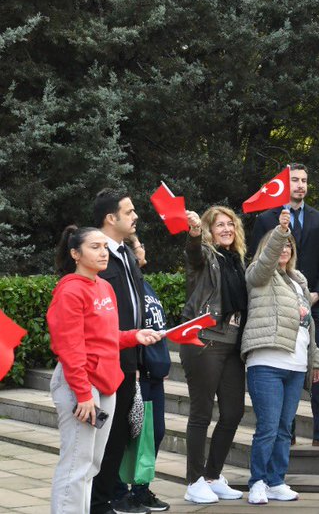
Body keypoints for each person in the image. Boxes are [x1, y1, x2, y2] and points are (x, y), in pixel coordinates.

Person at [47, 226, 162, 514]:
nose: (103, 252)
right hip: (82, 386)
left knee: (91, 465)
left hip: (106, 384)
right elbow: (70, 347)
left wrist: (133, 335)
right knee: (75, 465)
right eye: (94, 247)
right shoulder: (70, 290)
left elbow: (106, 337)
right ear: (75, 254)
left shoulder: (104, 286)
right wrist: (83, 394)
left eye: (104, 246)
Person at [248, 164, 319, 447]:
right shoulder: (266, 219)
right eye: (294, 180)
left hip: (313, 305)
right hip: (279, 306)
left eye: (304, 180)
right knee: (287, 367)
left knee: (318, 365)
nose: (300, 185)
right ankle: (285, 430)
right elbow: (256, 261)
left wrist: (317, 293)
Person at [242, 209, 319, 505]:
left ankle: (276, 481)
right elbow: (264, 263)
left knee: (285, 428)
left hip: (295, 364)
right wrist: (281, 231)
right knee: (267, 427)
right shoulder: (258, 276)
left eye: (290, 245)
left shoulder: (298, 281)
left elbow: (307, 324)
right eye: (279, 245)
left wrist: (315, 360)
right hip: (267, 363)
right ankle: (257, 482)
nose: (285, 249)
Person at [179, 207, 248, 504]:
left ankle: (212, 475)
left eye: (230, 224)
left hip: (232, 345)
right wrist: (194, 234)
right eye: (219, 225)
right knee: (201, 413)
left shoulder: (238, 261)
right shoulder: (206, 257)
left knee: (233, 412)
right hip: (204, 340)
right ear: (209, 229)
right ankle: (194, 481)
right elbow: (194, 253)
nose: (226, 229)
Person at [89, 190, 148, 514]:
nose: (135, 215)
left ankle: (106, 501)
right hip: (106, 360)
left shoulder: (124, 252)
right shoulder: (95, 255)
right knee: (104, 437)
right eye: (129, 211)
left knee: (119, 434)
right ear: (111, 218)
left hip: (128, 354)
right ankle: (98, 503)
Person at [121, 235, 171, 513]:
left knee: (155, 433)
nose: (144, 249)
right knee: (133, 434)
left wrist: (160, 362)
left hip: (155, 373)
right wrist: (136, 366)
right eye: (140, 245)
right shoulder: (128, 288)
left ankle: (140, 489)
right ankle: (122, 490)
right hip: (138, 373)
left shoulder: (145, 284)